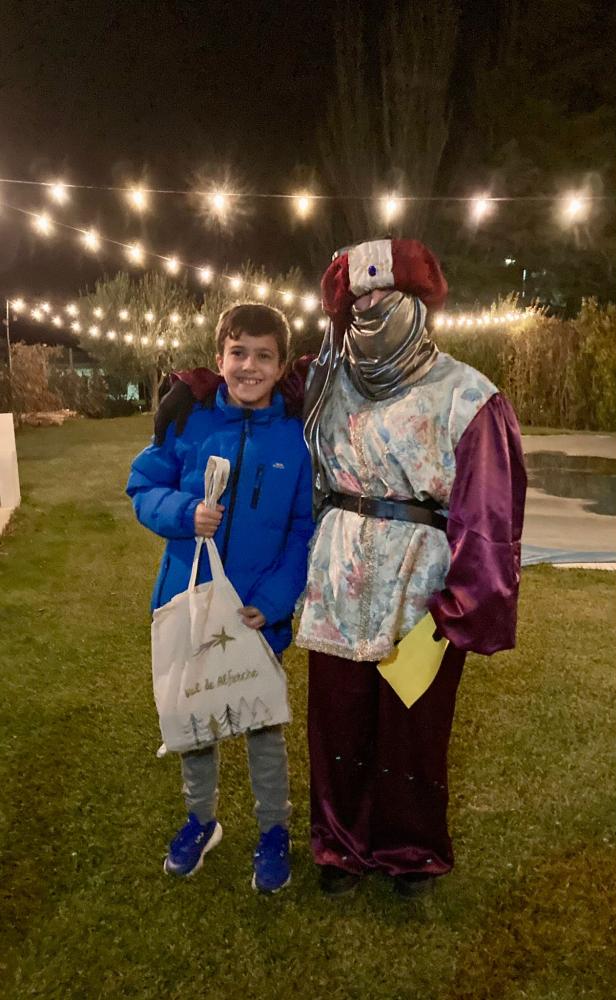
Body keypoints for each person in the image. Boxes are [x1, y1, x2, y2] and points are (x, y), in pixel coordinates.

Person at [154, 237, 527, 899]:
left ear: (417, 301)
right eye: (360, 298)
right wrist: (197, 385)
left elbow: (490, 514)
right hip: (336, 578)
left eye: (388, 295)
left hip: (419, 583)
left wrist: (465, 604)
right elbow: (254, 376)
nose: (373, 308)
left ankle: (409, 851)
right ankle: (341, 847)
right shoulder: (326, 377)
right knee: (338, 720)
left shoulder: (468, 396)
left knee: (412, 728)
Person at [127, 302, 314, 894]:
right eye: (238, 353)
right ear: (220, 357)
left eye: (263, 356)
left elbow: (303, 529)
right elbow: (141, 486)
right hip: (191, 602)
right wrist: (185, 512)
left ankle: (273, 830)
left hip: (255, 613)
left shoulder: (296, 439)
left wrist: (276, 599)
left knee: (262, 725)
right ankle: (200, 820)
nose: (249, 366)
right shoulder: (190, 423)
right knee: (196, 719)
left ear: (281, 366)